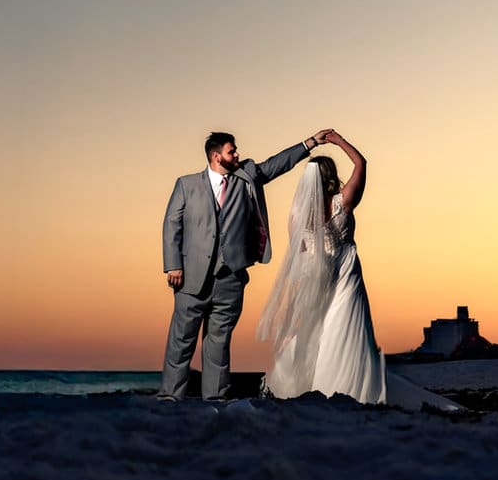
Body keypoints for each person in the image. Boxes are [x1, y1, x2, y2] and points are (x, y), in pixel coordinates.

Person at [257, 131, 455, 410]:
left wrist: (295, 308)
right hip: (346, 275)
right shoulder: (344, 201)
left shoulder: (297, 218)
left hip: (316, 279)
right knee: (349, 331)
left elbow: (298, 266)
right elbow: (361, 163)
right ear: (331, 177)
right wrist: (337, 139)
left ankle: (316, 388)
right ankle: (350, 388)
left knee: (319, 331)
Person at [160, 127, 327, 399]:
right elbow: (171, 225)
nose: (237, 153)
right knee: (181, 343)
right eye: (231, 150)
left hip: (231, 278)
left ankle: (214, 399)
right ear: (216, 156)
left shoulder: (246, 176)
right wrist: (173, 265)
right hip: (190, 278)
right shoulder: (186, 185)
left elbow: (276, 165)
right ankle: (169, 398)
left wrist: (308, 144)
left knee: (219, 343)